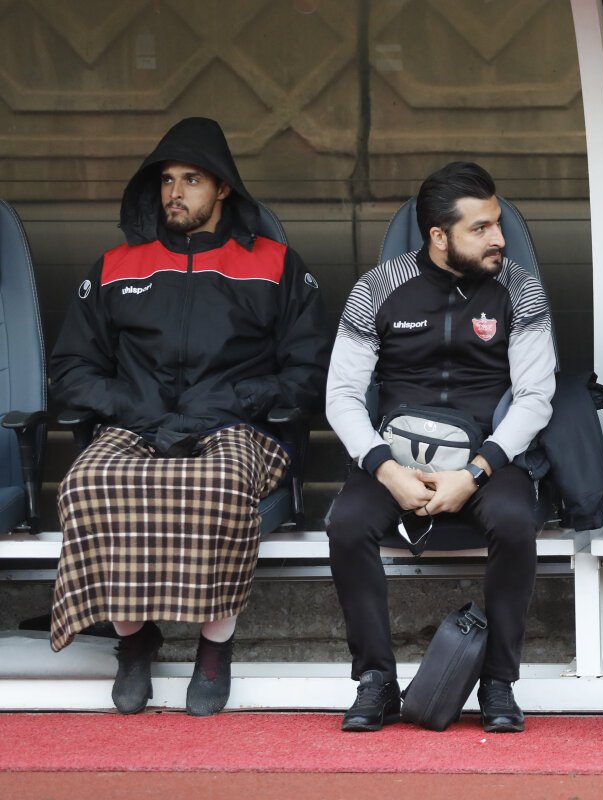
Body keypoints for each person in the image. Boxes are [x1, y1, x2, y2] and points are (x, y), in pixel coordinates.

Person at [49, 117, 329, 716]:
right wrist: (133, 405)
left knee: (216, 486)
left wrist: (239, 399)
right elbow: (70, 368)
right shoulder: (117, 265)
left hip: (236, 425)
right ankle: (133, 639)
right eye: (167, 180)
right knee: (87, 483)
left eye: (192, 180)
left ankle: (214, 645)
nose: (175, 193)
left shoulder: (275, 263)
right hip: (136, 422)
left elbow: (309, 372)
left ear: (223, 187)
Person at [325, 162, 555, 733]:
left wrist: (474, 473)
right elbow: (342, 396)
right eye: (481, 228)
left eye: (497, 223)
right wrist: (387, 471)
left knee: (514, 522)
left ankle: (498, 682)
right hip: (395, 454)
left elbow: (535, 397)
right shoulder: (377, 288)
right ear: (438, 235)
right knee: (346, 524)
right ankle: (376, 681)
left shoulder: (520, 289)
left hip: (486, 454)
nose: (499, 238)